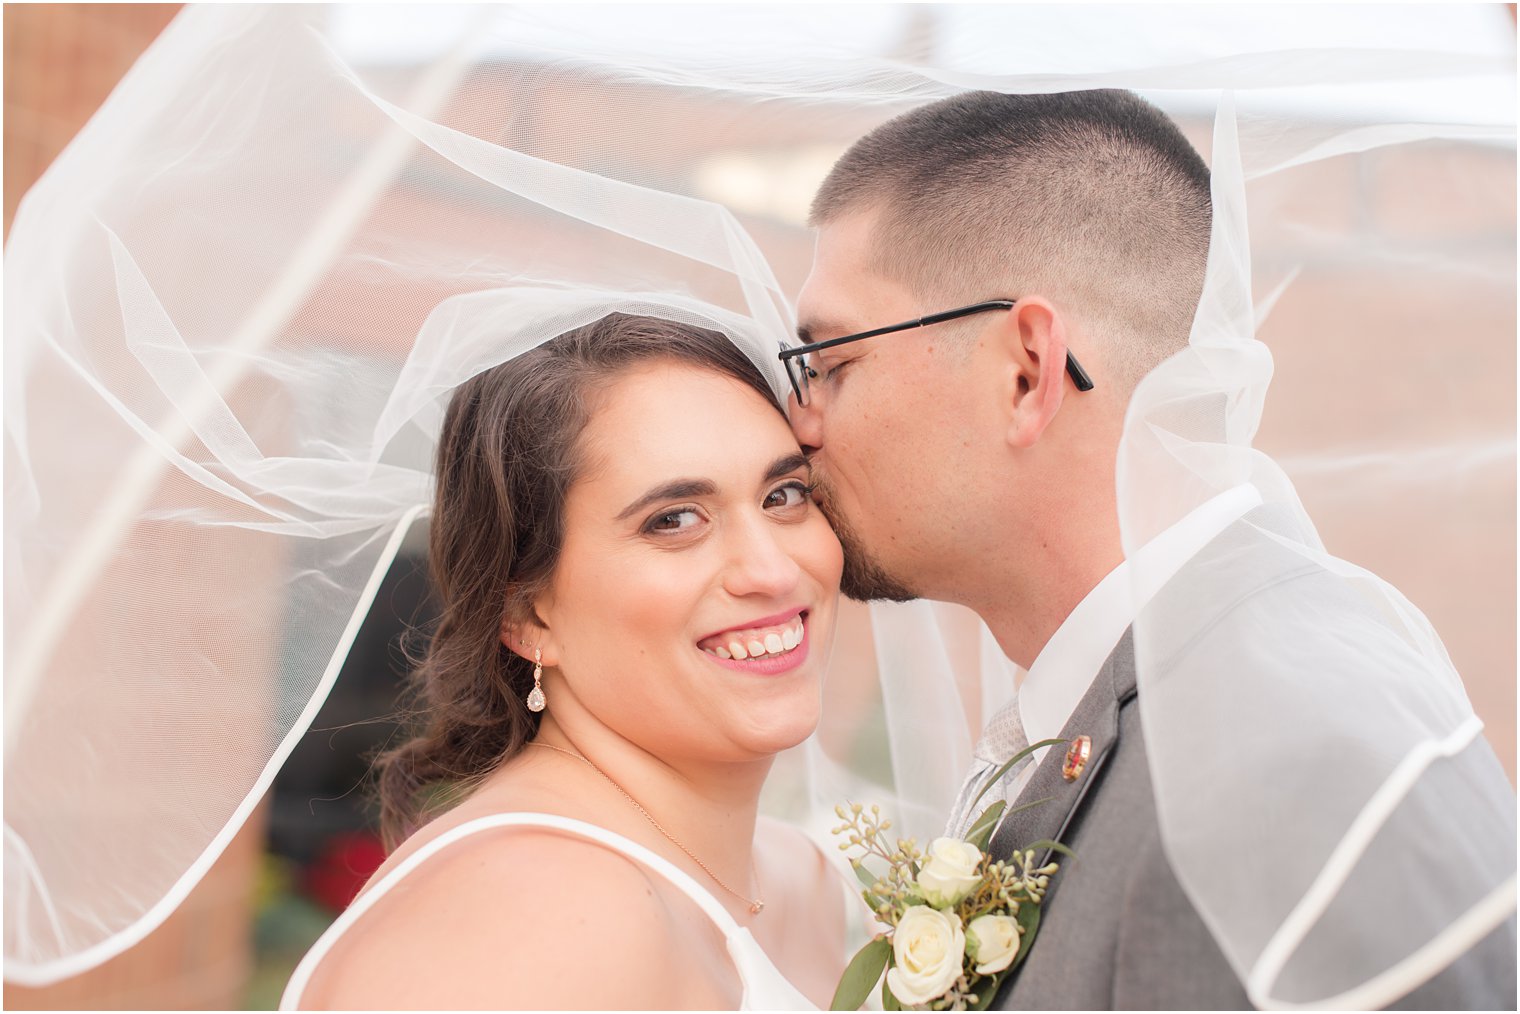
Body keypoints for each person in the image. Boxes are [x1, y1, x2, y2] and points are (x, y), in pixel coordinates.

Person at [786, 89, 1517, 1009]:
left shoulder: (1275, 775)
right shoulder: (1193, 691)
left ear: (1026, 372)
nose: (801, 423)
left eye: (830, 363)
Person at [279, 313, 847, 1010]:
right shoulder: (531, 911)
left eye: (783, 495)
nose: (772, 570)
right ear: (527, 615)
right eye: (673, 520)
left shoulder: (808, 879)